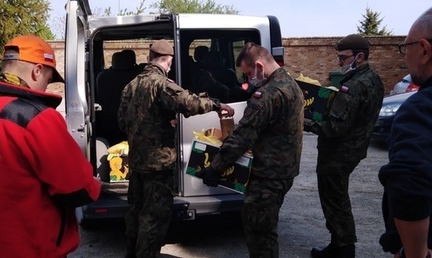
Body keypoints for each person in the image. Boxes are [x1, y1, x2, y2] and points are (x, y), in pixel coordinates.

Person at [0, 35, 102, 257]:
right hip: (35, 249)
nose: (46, 86)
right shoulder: (37, 118)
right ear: (37, 71)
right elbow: (78, 189)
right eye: (49, 78)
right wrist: (95, 183)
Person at [117, 39, 234, 258]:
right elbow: (189, 102)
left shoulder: (130, 86)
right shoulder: (161, 84)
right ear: (167, 60)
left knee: (135, 214)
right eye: (170, 61)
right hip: (158, 165)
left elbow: (122, 122)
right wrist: (217, 104)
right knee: (154, 219)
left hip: (137, 162)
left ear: (149, 58)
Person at [198, 42, 304, 258]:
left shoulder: (267, 95)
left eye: (248, 74)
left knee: (259, 233)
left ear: (258, 66)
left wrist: (215, 169)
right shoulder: (292, 85)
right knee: (266, 229)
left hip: (267, 175)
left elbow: (242, 137)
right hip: (284, 171)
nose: (249, 80)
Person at [303, 34, 384, 258]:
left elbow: (334, 127)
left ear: (359, 57)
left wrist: (305, 122)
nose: (340, 62)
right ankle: (339, 244)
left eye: (343, 57)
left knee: (335, 200)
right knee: (338, 197)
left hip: (338, 153)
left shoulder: (353, 86)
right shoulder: (374, 79)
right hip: (354, 149)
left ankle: (344, 247)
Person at [379, 7, 432, 258]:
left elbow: (409, 183)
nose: (405, 57)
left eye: (405, 47)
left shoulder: (420, 109)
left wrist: (416, 253)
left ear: (424, 49)